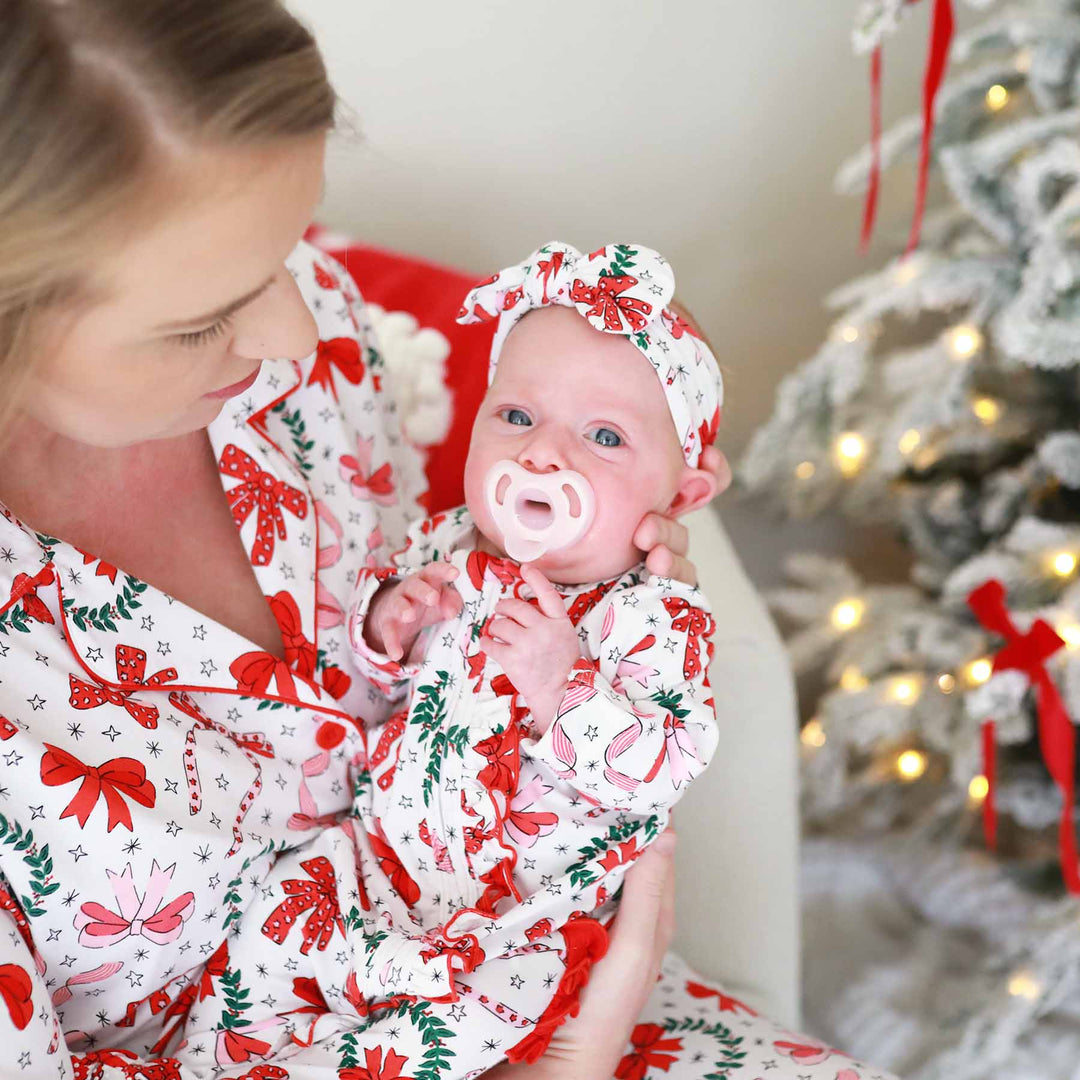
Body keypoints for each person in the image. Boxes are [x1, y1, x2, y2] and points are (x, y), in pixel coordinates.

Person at [0, 2, 896, 1078]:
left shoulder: (309, 345)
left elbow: (439, 629)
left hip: (534, 963)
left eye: (291, 249)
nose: (301, 334)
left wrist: (599, 605)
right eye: (200, 321)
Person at [174, 241, 723, 1076]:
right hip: (383, 857)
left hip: (519, 913)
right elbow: (386, 681)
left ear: (680, 494)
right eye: (514, 417)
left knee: (479, 1014)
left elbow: (665, 765)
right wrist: (390, 621)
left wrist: (562, 687)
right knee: (275, 933)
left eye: (604, 436)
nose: (542, 455)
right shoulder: (449, 546)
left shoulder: (651, 614)